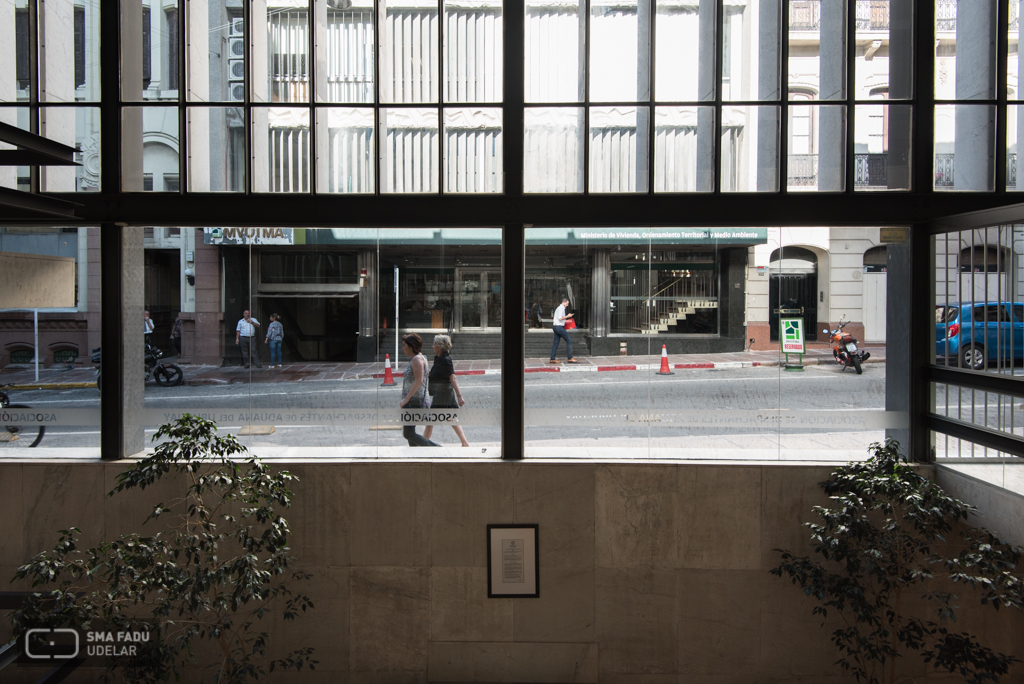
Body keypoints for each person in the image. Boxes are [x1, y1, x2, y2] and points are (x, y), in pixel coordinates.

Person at [423, 334, 470, 447]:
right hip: (442, 392)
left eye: (434, 344)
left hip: (443, 394)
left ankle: (422, 444)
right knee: (451, 418)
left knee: (431, 420)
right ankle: (465, 443)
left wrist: (459, 396)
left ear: (440, 346)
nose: (432, 346)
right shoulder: (438, 358)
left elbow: (453, 378)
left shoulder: (446, 360)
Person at [399, 333, 440, 447]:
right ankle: (415, 456)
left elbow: (419, 381)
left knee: (408, 433)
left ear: (411, 346)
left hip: (414, 401)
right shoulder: (419, 358)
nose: (403, 348)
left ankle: (437, 449)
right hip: (414, 400)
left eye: (404, 345)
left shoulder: (417, 359)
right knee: (410, 434)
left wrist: (405, 400)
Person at [549, 297, 577, 364]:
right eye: (567, 303)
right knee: (569, 340)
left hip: (556, 327)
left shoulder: (559, 308)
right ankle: (570, 358)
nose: (567, 305)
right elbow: (560, 318)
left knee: (556, 343)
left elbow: (561, 319)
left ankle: (552, 358)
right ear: (564, 302)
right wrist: (568, 316)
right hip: (559, 327)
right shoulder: (561, 308)